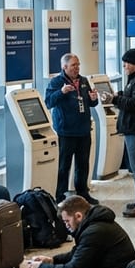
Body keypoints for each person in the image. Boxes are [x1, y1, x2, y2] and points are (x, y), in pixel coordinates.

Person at [23, 196, 135, 268]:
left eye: (67, 221)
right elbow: (77, 254)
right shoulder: (95, 224)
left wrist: (40, 267)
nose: (66, 226)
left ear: (78, 216)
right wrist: (52, 260)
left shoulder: (95, 232)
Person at [102, 48, 135, 218]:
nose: (124, 65)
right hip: (134, 129)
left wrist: (115, 99)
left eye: (126, 63)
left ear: (134, 64)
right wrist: (118, 95)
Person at [44, 53, 100, 204]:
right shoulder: (56, 82)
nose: (77, 68)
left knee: (83, 164)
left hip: (83, 130)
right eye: (74, 65)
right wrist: (61, 92)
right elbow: (48, 102)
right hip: (66, 131)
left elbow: (90, 102)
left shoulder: (83, 81)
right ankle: (60, 195)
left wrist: (94, 99)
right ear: (65, 67)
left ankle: (83, 193)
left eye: (78, 64)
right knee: (64, 166)